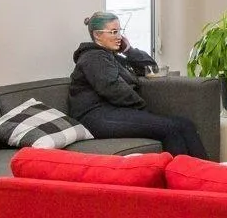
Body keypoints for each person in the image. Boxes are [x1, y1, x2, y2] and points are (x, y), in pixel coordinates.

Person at [69, 11, 207, 158]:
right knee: (170, 128)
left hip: (115, 111)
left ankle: (208, 170)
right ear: (97, 35)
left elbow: (150, 68)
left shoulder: (113, 58)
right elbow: (112, 88)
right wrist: (141, 107)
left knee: (185, 124)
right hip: (96, 116)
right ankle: (184, 172)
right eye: (114, 32)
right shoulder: (93, 57)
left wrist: (128, 50)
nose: (119, 37)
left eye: (120, 31)